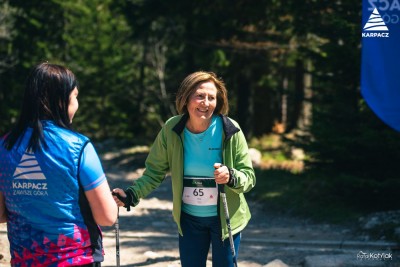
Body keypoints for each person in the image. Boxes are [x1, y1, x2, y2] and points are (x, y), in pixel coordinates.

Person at [112, 71, 256, 267]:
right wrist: (131, 195)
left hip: (226, 218)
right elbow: (154, 172)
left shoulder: (230, 129)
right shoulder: (172, 129)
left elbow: (248, 177)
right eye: (200, 96)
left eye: (211, 98)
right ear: (186, 98)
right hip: (189, 220)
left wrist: (231, 176)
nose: (205, 102)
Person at [0, 62, 117, 267]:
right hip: (75, 258)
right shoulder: (79, 146)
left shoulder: (4, 146)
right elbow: (106, 217)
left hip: (25, 259)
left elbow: (0, 215)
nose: (77, 104)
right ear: (61, 101)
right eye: (75, 97)